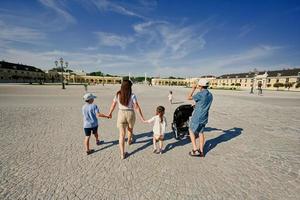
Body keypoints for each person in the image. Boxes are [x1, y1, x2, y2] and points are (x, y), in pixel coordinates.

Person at [108, 80, 145, 159]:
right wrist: (142, 117)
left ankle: (122, 154)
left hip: (121, 113)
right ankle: (129, 141)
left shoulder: (118, 94)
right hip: (130, 113)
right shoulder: (132, 95)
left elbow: (113, 105)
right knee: (130, 129)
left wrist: (110, 113)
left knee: (121, 135)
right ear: (129, 87)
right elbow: (137, 107)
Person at [187, 79, 213, 157]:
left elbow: (189, 97)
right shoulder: (210, 94)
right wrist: (197, 105)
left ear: (201, 86)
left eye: (198, 85)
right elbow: (204, 103)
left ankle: (195, 149)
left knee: (191, 130)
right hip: (205, 116)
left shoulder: (200, 94)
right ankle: (201, 151)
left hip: (198, 116)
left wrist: (193, 89)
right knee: (201, 132)